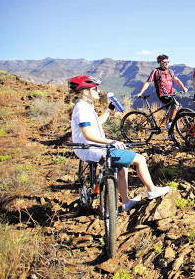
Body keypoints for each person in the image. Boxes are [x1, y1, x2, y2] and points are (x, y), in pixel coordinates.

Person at [68, 74, 169, 211]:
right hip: (94, 148)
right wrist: (112, 141)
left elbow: (97, 123)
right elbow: (88, 134)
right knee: (140, 160)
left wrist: (109, 110)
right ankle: (152, 190)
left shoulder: (85, 105)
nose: (98, 92)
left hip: (92, 148)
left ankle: (126, 202)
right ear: (85, 91)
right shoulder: (82, 109)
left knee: (122, 168)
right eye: (95, 89)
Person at [135, 54, 188, 129]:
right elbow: (148, 82)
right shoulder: (156, 71)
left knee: (171, 110)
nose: (167, 63)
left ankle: (170, 132)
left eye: (168, 62)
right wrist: (140, 92)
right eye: (164, 62)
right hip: (162, 95)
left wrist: (183, 88)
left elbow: (176, 80)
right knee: (175, 105)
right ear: (160, 63)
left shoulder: (170, 71)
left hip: (170, 94)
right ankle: (170, 123)